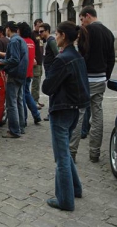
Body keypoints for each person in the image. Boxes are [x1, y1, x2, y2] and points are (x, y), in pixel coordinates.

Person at [42, 21, 90, 211]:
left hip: (62, 111)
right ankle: (75, 189)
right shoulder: (77, 56)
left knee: (61, 157)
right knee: (65, 154)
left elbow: (47, 87)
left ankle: (65, 200)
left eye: (57, 33)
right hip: (74, 109)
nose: (56, 35)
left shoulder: (63, 59)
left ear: (62, 35)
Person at [69, 6, 115, 163]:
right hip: (101, 79)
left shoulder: (87, 31)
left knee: (79, 115)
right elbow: (111, 59)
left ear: (87, 16)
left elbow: (81, 55)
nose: (81, 22)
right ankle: (94, 153)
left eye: (82, 19)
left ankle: (72, 152)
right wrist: (105, 76)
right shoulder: (109, 33)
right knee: (97, 115)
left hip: (86, 78)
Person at [0, 21, 28, 138]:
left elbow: (14, 59)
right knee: (19, 101)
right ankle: (21, 127)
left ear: (8, 29)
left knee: (12, 104)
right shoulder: (21, 40)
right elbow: (13, 56)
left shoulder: (14, 41)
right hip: (22, 74)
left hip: (14, 75)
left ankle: (14, 131)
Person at [17, 21, 41, 125]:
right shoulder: (31, 41)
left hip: (22, 72)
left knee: (21, 96)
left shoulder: (21, 41)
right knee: (27, 93)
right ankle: (36, 115)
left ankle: (23, 120)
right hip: (29, 72)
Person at [39, 23, 59, 121]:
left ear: (47, 31)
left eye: (41, 31)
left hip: (51, 71)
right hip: (48, 70)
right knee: (52, 93)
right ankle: (52, 112)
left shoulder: (51, 41)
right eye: (39, 32)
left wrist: (54, 69)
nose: (40, 33)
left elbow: (57, 55)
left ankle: (52, 113)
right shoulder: (46, 41)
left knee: (52, 92)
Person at [31, 18, 45, 109]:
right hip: (35, 62)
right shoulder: (32, 34)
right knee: (35, 82)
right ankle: (33, 102)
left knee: (38, 81)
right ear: (35, 25)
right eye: (39, 25)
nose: (40, 28)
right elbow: (31, 47)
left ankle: (36, 99)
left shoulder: (40, 35)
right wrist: (33, 58)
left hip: (40, 61)